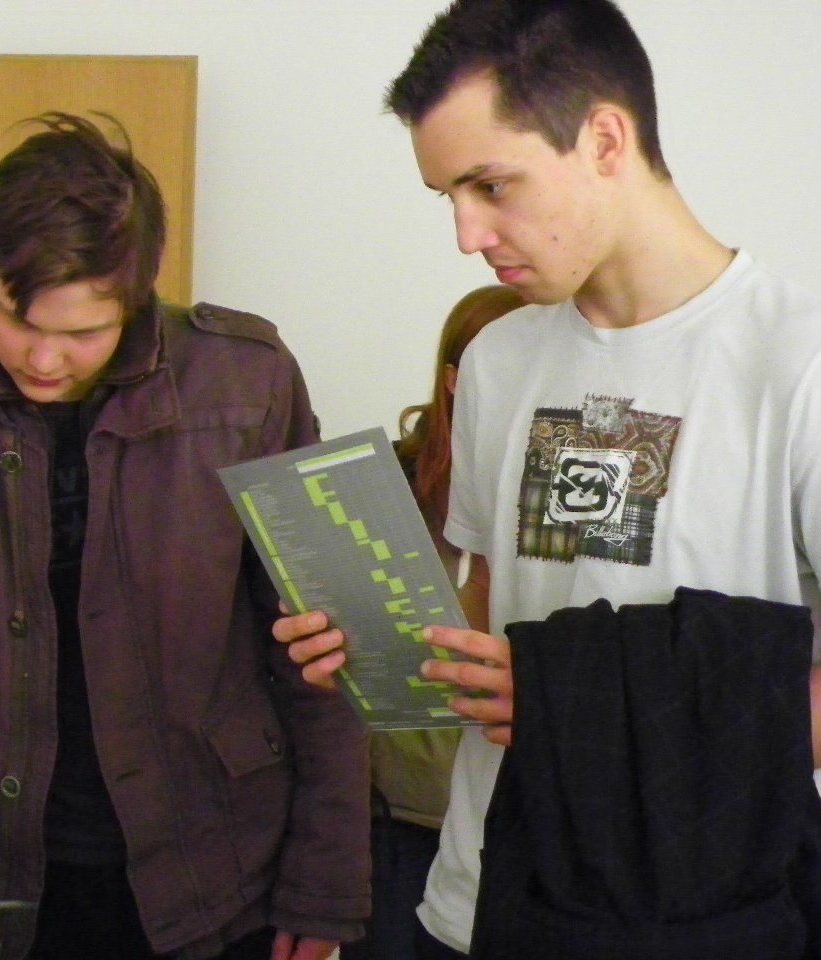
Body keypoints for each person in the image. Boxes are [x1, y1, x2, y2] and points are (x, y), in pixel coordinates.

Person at [273, 2, 821, 958]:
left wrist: (582, 703)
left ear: (605, 140)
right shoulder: (498, 358)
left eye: (491, 185)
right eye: (448, 195)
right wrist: (378, 640)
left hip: (684, 915)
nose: (466, 233)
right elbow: (499, 619)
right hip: (477, 898)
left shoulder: (796, 362)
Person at [0, 112, 370, 960]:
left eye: (83, 333)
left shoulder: (248, 384)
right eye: (17, 318)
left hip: (218, 869)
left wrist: (327, 879)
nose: (44, 360)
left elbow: (324, 646)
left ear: (139, 295)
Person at [345, 285, 521, 960]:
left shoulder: (564, 492)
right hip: (400, 814)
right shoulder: (380, 486)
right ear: (455, 380)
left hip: (519, 815)